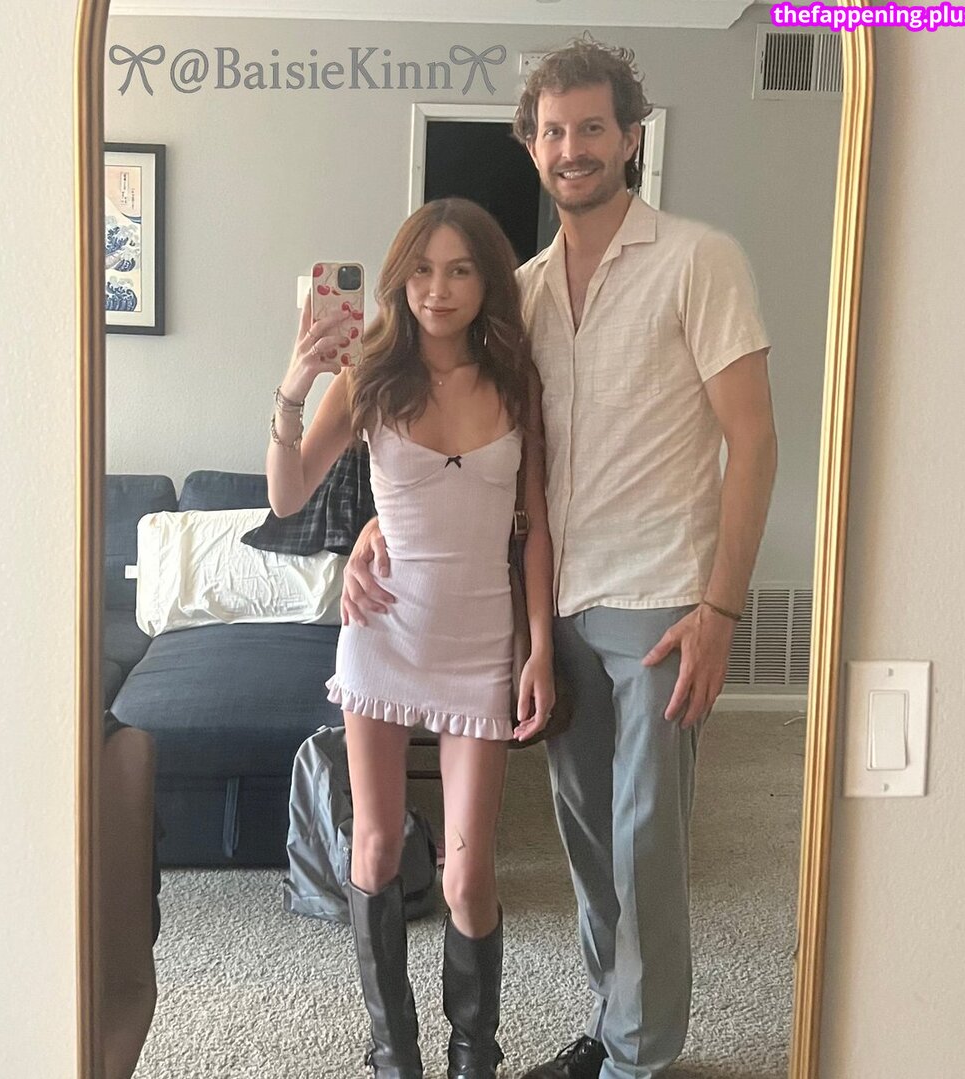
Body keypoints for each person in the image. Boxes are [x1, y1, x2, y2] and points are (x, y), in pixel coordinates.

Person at [341, 40, 778, 1079]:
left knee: (645, 841)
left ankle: (638, 1058)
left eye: (591, 127)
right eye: (551, 131)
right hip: (553, 604)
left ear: (631, 137)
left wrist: (722, 608)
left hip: (663, 597)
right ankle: (609, 1024)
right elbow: (475, 457)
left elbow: (755, 440)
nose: (571, 147)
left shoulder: (699, 260)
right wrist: (375, 526)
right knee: (587, 842)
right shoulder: (523, 294)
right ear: (530, 146)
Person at [265, 197, 555, 1079]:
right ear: (399, 279)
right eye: (422, 270)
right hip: (382, 636)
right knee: (377, 846)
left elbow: (535, 527)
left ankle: (475, 1059)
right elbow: (287, 494)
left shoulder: (517, 382)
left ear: (487, 281)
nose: (438, 288)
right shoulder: (370, 378)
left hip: (481, 643)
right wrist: (293, 387)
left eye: (460, 269)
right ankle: (395, 1057)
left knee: (468, 874)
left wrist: (540, 645)